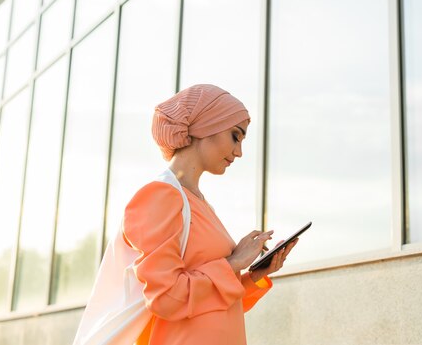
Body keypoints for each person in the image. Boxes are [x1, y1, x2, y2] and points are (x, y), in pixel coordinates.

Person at [123, 84, 298, 345]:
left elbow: (209, 302)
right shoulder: (160, 196)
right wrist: (233, 262)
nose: (239, 152)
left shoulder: (198, 203)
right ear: (205, 126)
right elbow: (166, 299)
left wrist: (254, 275)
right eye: (235, 136)